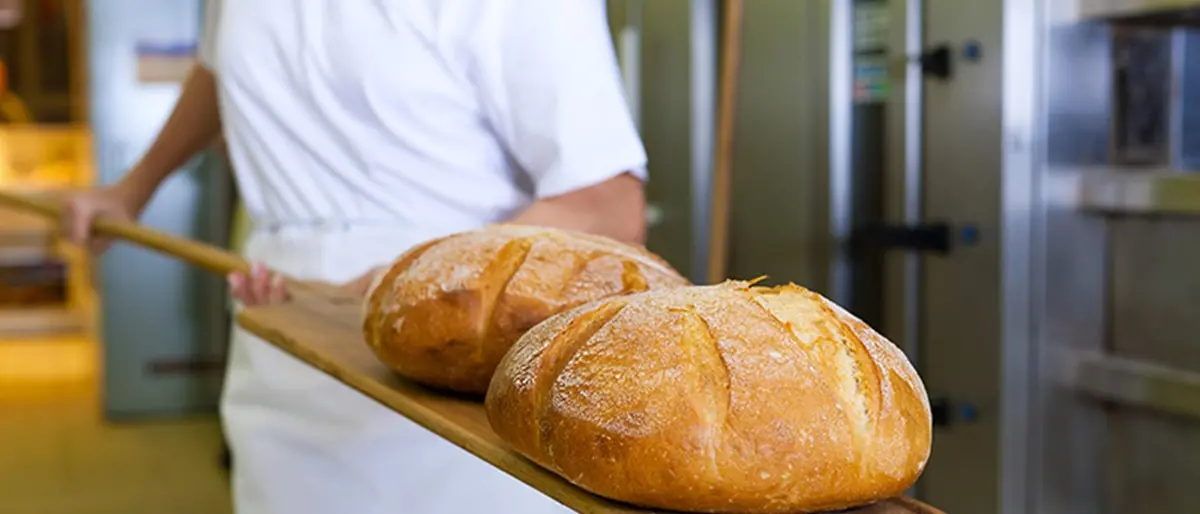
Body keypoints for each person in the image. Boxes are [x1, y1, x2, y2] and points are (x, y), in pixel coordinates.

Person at [61, 1, 648, 513]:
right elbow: (223, 63)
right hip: (278, 326)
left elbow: (606, 203)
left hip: (448, 350)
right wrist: (131, 190)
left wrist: (412, 281)